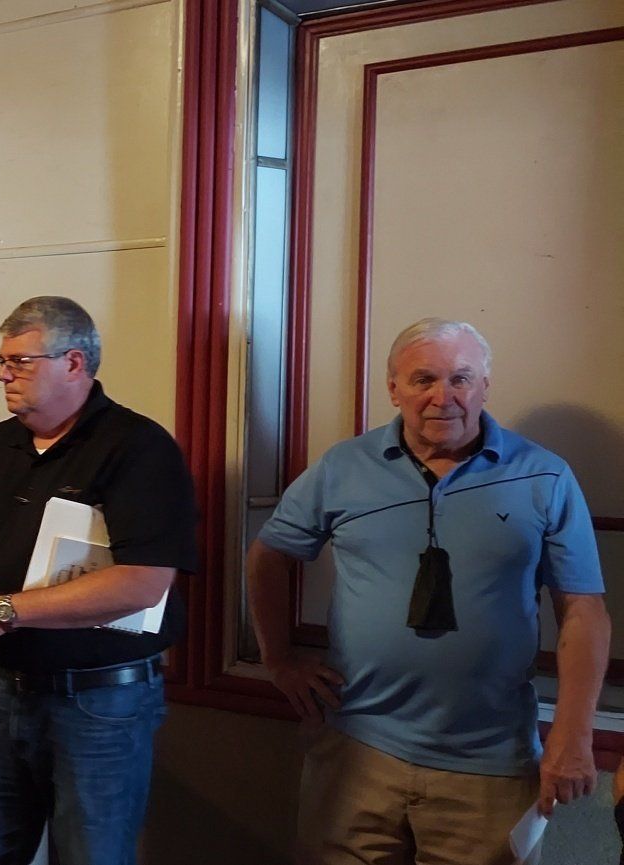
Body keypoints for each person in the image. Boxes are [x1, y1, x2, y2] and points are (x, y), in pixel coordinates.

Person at [248, 318, 608, 865]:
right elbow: (269, 555)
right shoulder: (343, 466)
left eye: (461, 378)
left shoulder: (544, 477)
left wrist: (574, 735)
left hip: (489, 763)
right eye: (423, 380)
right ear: (393, 389)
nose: (444, 397)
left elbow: (583, 610)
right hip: (355, 750)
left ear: (485, 386)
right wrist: (277, 658)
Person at [0, 296, 199, 865]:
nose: (4, 375)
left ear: (74, 363)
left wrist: (8, 610)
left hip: (101, 702)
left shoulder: (138, 450)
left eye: (20, 361)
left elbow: (144, 584)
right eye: (1, 362)